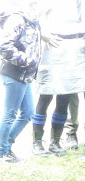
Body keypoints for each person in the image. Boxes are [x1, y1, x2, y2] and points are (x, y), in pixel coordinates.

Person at [31, 1, 85, 156]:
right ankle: (37, 143)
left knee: (64, 97)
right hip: (54, 46)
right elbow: (33, 13)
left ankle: (55, 142)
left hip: (76, 48)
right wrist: (42, 32)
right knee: (46, 96)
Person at [0, 4, 42, 163]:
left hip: (25, 76)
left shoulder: (32, 19)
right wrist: (27, 61)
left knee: (28, 113)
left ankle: (6, 145)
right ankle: (2, 153)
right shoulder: (17, 19)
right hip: (14, 73)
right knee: (10, 114)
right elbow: (3, 46)